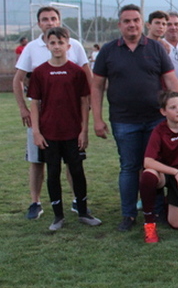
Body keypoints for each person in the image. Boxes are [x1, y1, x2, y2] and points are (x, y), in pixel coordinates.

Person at [92, 4, 178, 232]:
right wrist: (97, 119)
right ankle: (129, 214)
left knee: (155, 166)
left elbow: (171, 80)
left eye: (136, 20)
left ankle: (158, 211)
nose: (132, 25)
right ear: (119, 25)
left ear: (142, 23)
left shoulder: (156, 48)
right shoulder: (108, 51)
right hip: (123, 121)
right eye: (127, 21)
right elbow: (97, 86)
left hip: (155, 120)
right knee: (129, 167)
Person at [14, 6, 92, 220]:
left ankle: (77, 201)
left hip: (70, 120)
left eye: (53, 18)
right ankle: (36, 202)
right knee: (38, 161)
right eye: (45, 19)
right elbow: (19, 80)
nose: (49, 22)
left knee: (73, 164)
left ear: (59, 21)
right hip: (43, 121)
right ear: (39, 23)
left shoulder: (74, 46)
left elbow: (87, 78)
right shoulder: (32, 49)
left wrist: (88, 109)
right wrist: (23, 108)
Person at [28, 27, 102, 231]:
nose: (57, 46)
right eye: (52, 43)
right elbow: (34, 103)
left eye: (60, 43)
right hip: (49, 134)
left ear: (68, 46)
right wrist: (36, 132)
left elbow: (84, 102)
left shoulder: (76, 72)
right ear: (47, 46)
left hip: (72, 133)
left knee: (77, 171)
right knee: (53, 173)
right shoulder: (40, 72)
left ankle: (83, 212)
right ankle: (58, 216)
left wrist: (83, 131)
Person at [139, 91, 178, 243]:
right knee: (148, 175)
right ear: (163, 111)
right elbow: (148, 161)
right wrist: (174, 172)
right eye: (173, 107)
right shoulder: (159, 130)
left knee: (177, 224)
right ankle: (149, 224)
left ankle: (167, 203)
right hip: (163, 173)